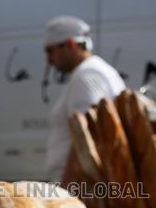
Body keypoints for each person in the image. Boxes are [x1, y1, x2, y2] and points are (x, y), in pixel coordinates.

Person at [42, 15, 125, 183]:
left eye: (50, 51)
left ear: (70, 44)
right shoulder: (93, 71)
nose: (48, 59)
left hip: (78, 185)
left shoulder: (86, 76)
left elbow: (85, 136)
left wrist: (67, 187)